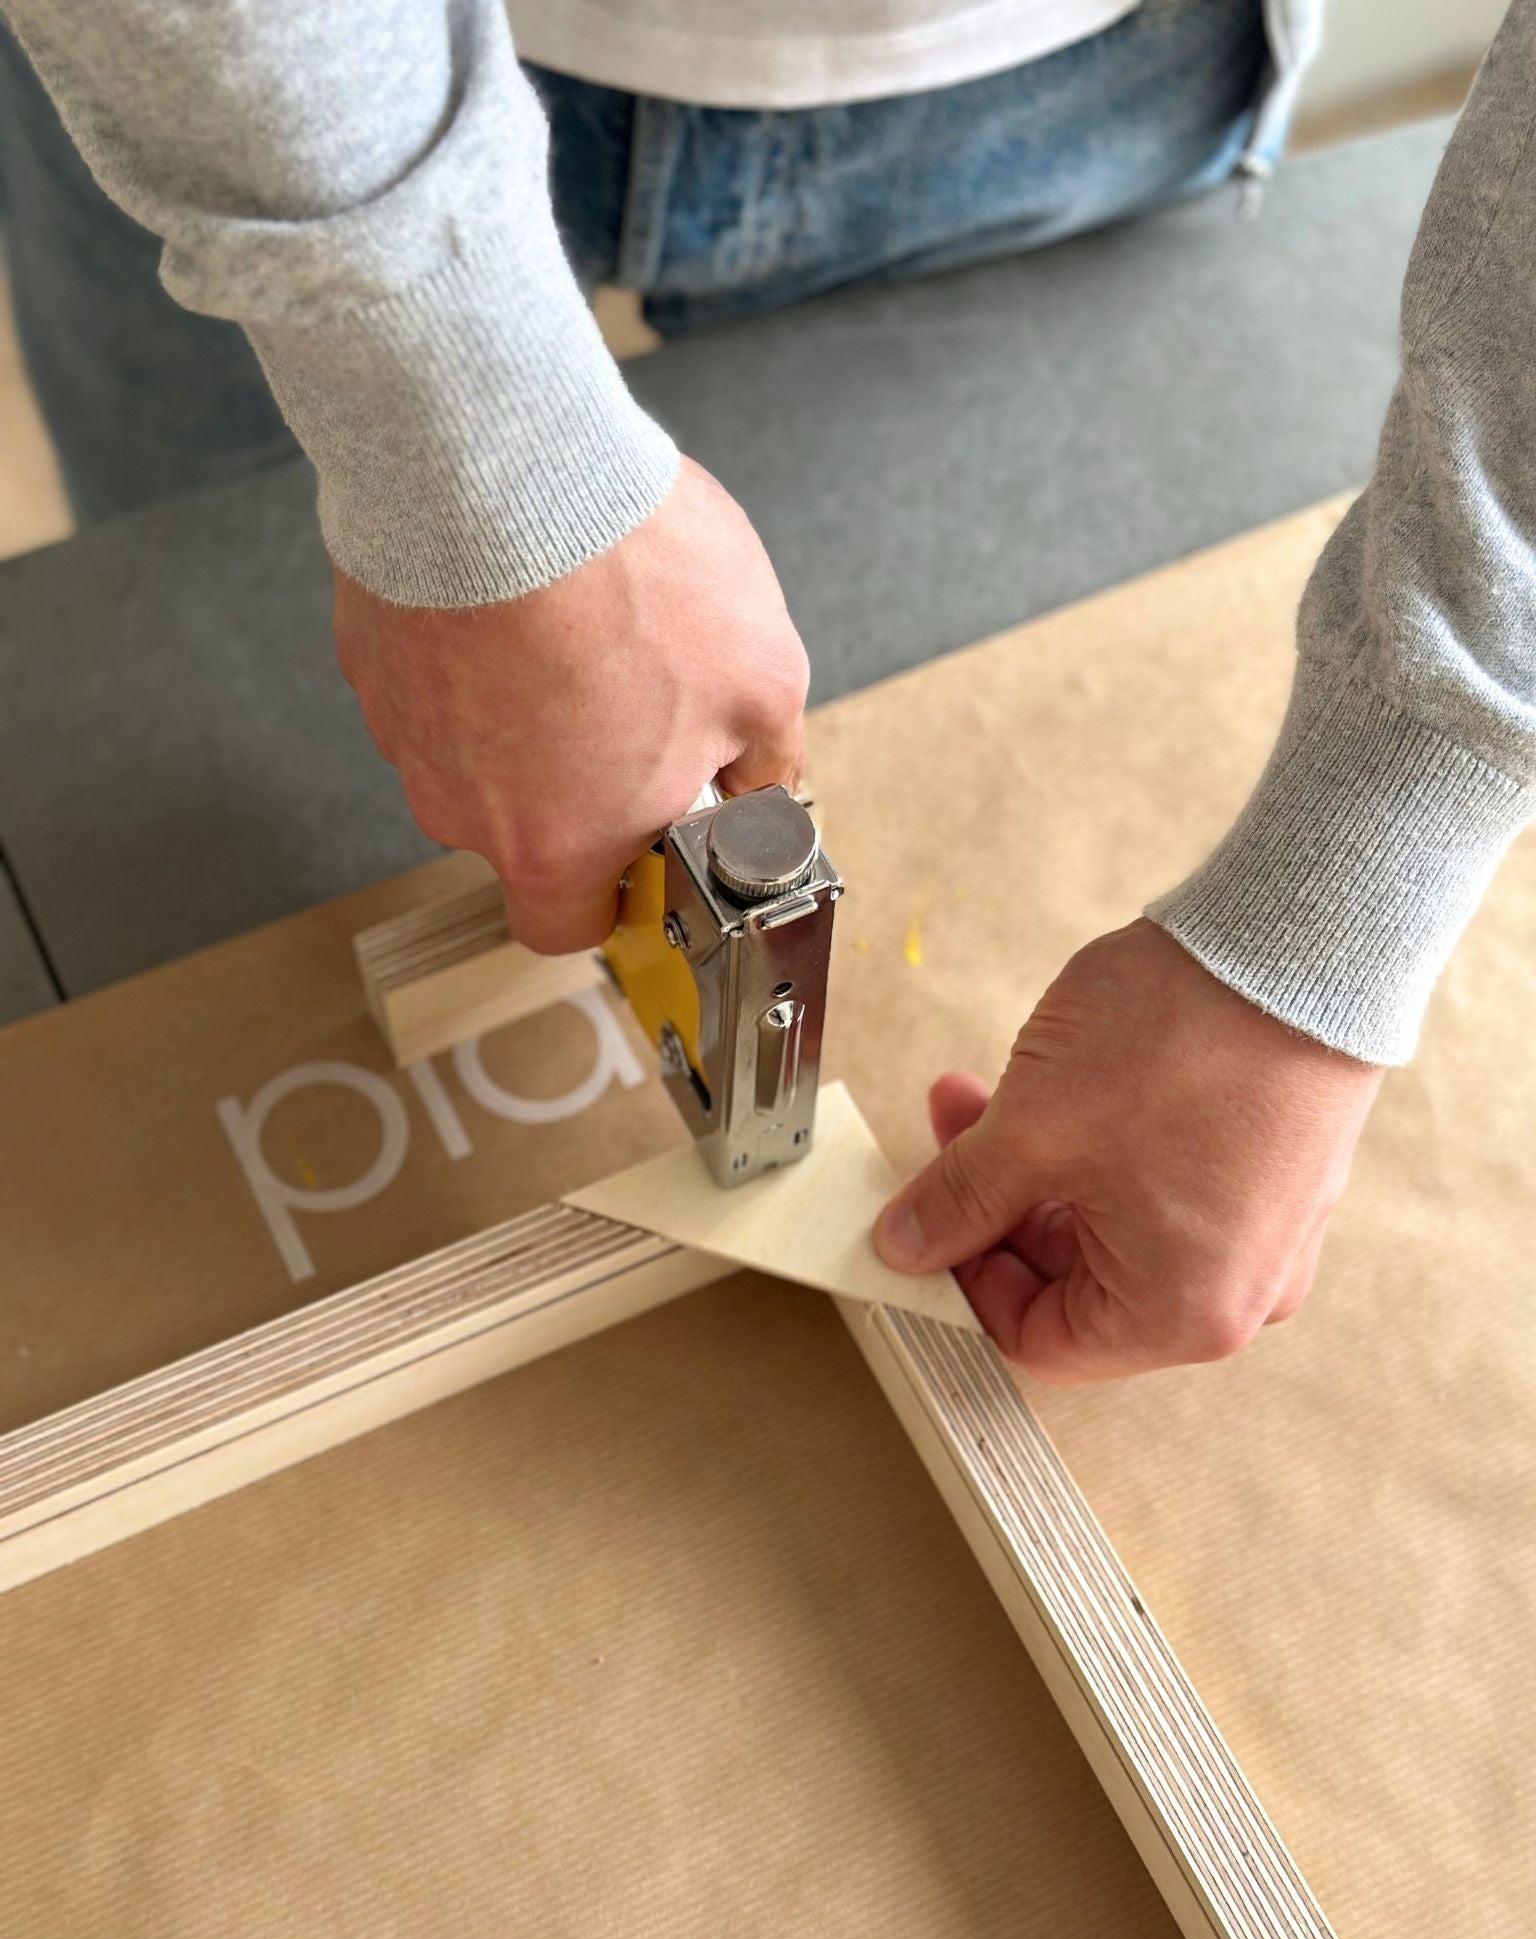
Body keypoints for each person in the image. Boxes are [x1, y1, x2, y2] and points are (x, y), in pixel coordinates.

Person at [0, 0, 1530, 1382]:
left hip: (1051, 76)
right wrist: (458, 438)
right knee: (191, 612)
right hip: (258, 81)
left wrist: (1347, 903)